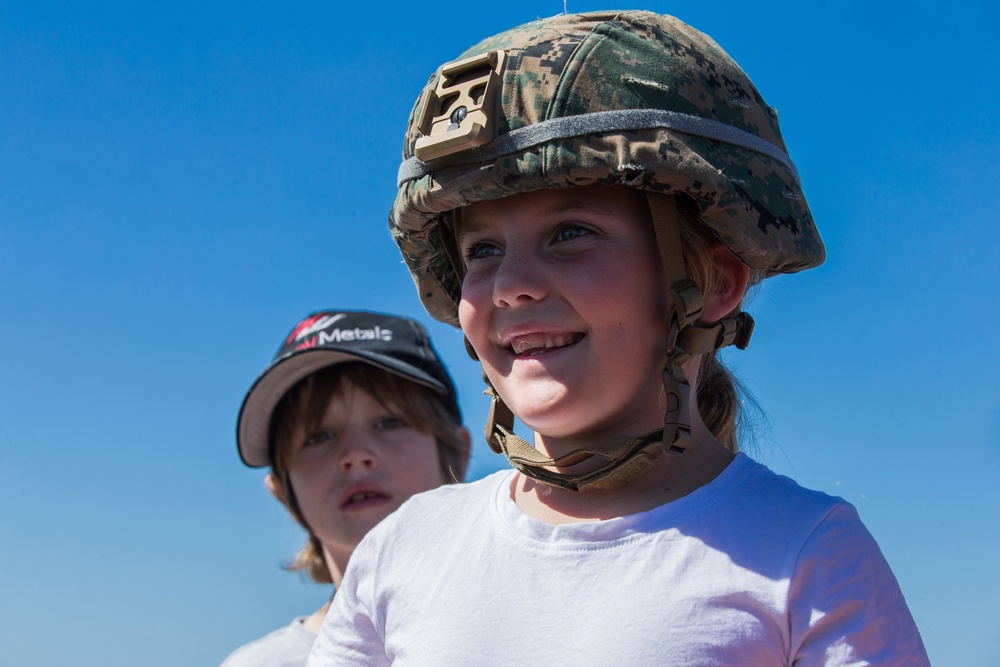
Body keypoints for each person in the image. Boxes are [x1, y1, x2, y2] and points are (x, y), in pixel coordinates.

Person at [307, 10, 929, 666]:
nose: (510, 285)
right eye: (482, 249)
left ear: (714, 282)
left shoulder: (805, 553)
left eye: (571, 232)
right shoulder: (403, 553)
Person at [220, 309, 470, 667]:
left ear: (457, 454)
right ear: (282, 491)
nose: (355, 455)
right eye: (318, 436)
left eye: (389, 422)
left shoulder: (534, 613)